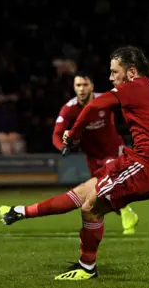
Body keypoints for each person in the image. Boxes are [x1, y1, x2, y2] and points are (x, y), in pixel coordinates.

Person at [0, 46, 149, 280]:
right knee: (82, 192)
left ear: (130, 72)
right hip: (140, 163)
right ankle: (20, 212)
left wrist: (75, 133)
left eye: (113, 72)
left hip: (145, 168)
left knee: (90, 208)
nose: (110, 78)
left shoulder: (131, 88)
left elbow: (94, 105)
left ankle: (87, 267)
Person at [53, 72, 139, 235]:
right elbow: (57, 134)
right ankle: (127, 213)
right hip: (92, 156)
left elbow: (128, 102)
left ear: (91, 86)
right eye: (78, 85)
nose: (82, 89)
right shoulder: (69, 108)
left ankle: (125, 215)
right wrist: (62, 147)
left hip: (113, 150)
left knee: (108, 184)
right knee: (103, 191)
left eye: (85, 85)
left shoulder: (105, 99)